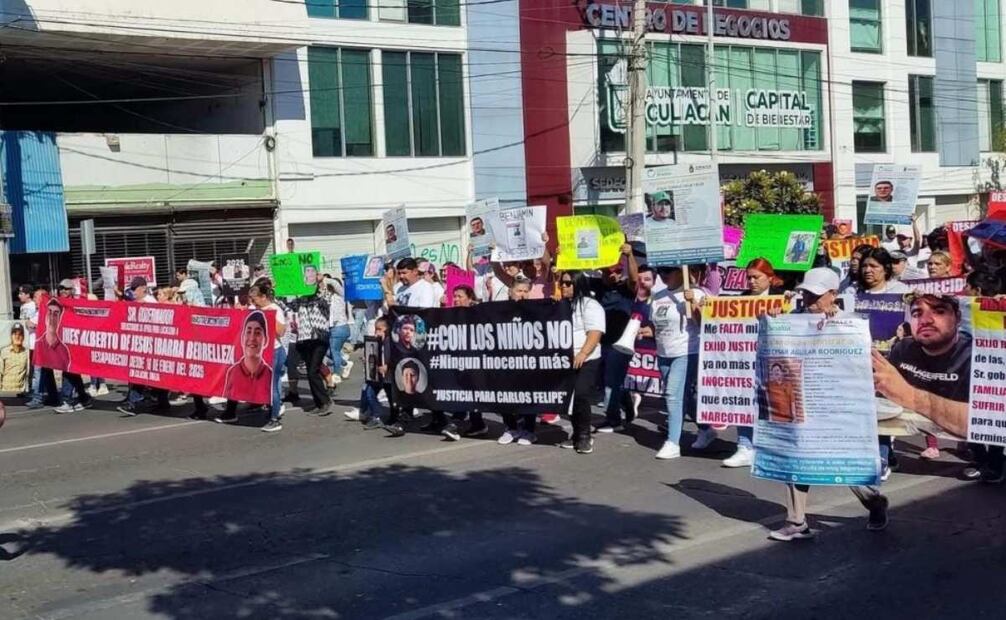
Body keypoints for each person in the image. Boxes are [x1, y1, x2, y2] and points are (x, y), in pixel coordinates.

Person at [767, 267, 889, 541]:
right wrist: (774, 320)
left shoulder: (851, 322)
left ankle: (874, 501)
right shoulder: (795, 319)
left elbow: (863, 364)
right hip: (803, 401)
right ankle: (796, 521)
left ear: (833, 294)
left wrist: (838, 328)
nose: (809, 300)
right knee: (797, 457)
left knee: (839, 464)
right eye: (806, 294)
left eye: (816, 295)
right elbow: (774, 343)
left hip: (836, 405)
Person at [872, 294, 971, 441]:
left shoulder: (975, 355)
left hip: (961, 458)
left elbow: (984, 422)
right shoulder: (903, 348)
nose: (925, 320)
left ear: (958, 317)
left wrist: (910, 395)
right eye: (917, 314)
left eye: (939, 311)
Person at [720, 258, 787, 468]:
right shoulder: (740, 299)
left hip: (772, 360)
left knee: (771, 403)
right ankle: (744, 446)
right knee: (742, 401)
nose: (751, 282)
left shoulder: (782, 298)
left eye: (756, 277)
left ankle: (774, 446)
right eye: (748, 277)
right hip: (744, 360)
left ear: (770, 277)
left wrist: (782, 312)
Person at [651, 265, 707, 460]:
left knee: (672, 395)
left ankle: (673, 442)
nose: (663, 276)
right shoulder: (657, 296)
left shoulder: (696, 293)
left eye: (668, 271)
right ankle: (706, 428)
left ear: (679, 272)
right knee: (684, 396)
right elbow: (656, 325)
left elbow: (705, 324)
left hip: (686, 351)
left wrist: (695, 305)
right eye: (660, 272)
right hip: (664, 352)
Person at [557, 271, 606, 454]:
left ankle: (585, 436)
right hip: (565, 360)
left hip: (587, 358)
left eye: (568, 283)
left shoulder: (590, 305)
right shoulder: (562, 305)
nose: (564, 286)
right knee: (568, 399)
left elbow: (594, 333)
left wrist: (583, 353)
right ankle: (576, 434)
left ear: (578, 284)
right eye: (562, 283)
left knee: (581, 395)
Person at [289, 282, 333, 416]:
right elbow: (288, 306)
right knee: (310, 371)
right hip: (305, 339)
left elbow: (327, 297)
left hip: (320, 338)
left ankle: (325, 401)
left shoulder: (321, 301)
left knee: (314, 370)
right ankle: (318, 402)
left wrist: (320, 283)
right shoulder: (300, 301)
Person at [219, 311, 273, 417]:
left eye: (257, 333)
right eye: (248, 332)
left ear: (265, 340)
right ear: (242, 337)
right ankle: (230, 412)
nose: (252, 338)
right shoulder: (233, 371)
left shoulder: (269, 374)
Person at [344, 316, 394, 430]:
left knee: (392, 399)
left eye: (379, 329)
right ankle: (376, 416)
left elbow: (395, 358)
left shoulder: (390, 342)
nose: (376, 332)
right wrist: (367, 359)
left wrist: (387, 366)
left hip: (389, 376)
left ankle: (396, 417)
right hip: (378, 375)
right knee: (369, 391)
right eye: (376, 329)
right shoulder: (377, 342)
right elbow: (374, 356)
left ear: (387, 330)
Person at [325, 276, 352, 385]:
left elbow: (335, 284)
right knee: (329, 352)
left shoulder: (341, 295)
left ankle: (336, 375)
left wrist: (324, 279)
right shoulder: (328, 297)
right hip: (332, 329)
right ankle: (345, 364)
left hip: (340, 328)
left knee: (334, 351)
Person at [1, 323, 30, 394]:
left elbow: (29, 374)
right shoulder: (4, 351)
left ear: (23, 337)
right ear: (11, 336)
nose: (17, 337)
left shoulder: (27, 353)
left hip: (20, 393)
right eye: (15, 334)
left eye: (20, 334)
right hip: (5, 392)